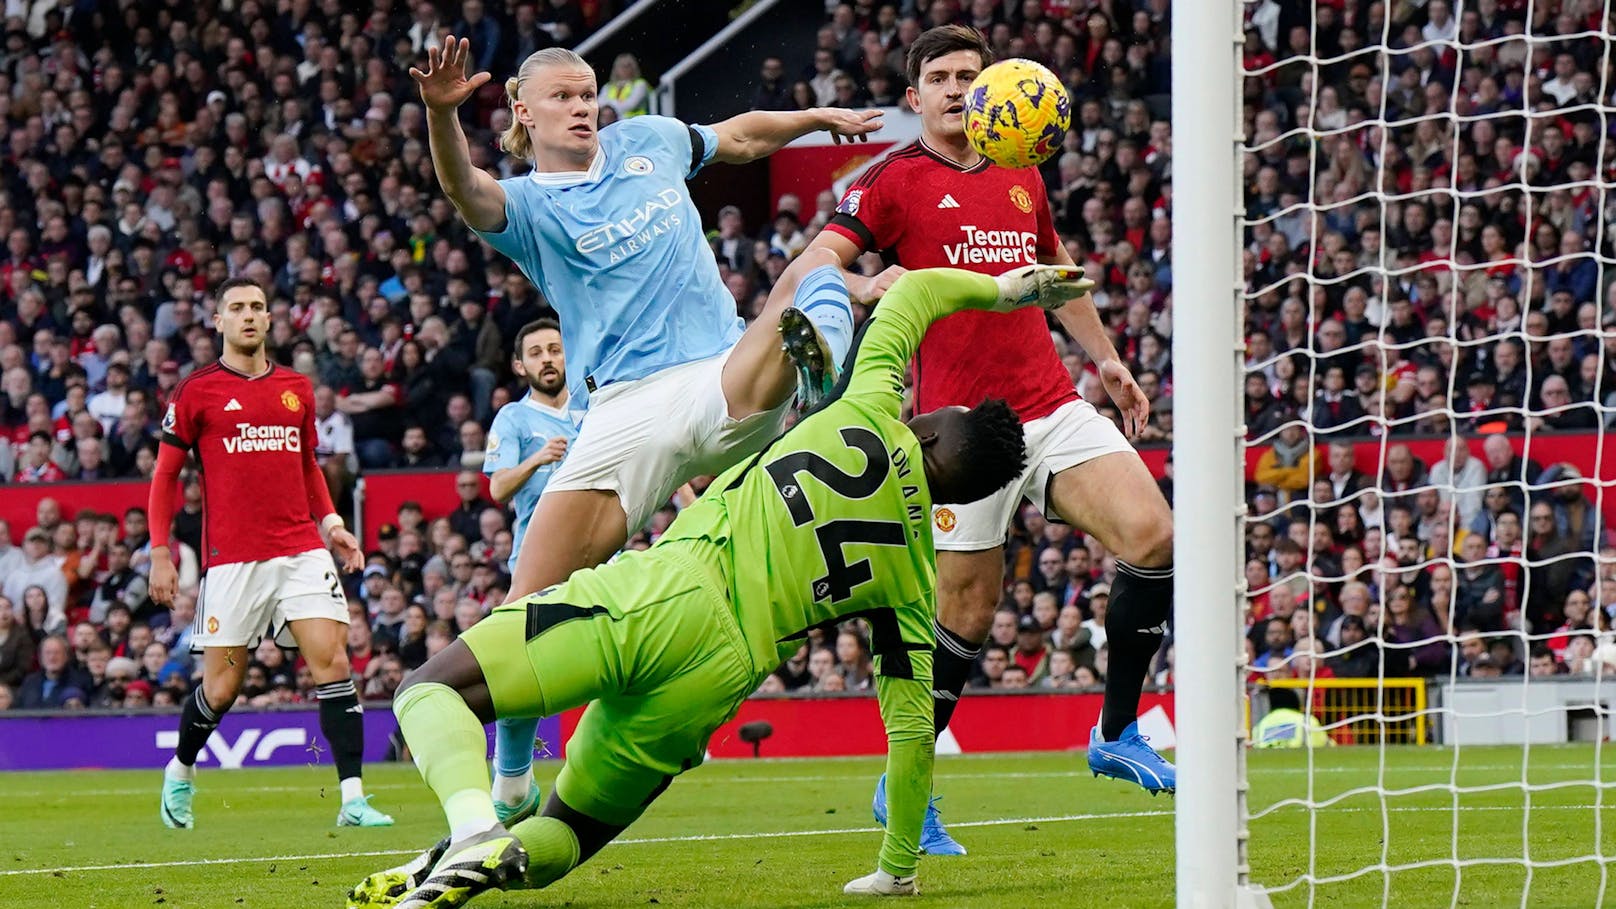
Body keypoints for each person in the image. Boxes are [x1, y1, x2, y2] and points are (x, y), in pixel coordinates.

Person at [346, 265, 1084, 908]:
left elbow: (915, 293)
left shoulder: (866, 406)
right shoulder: (912, 579)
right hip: (719, 679)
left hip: (668, 593)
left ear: (924, 433)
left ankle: (475, 825)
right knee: (568, 832)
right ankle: (471, 856)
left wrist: (1006, 290)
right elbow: (915, 731)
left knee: (428, 691)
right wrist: (894, 870)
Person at [807, 24, 1176, 851]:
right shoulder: (891, 182)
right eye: (938, 76)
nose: (954, 88)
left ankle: (1116, 731)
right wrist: (871, 282)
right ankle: (905, 787)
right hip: (958, 433)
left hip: (1048, 402)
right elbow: (814, 265)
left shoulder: (1021, 173)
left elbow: (1056, 268)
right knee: (967, 614)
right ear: (914, 97)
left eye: (968, 75)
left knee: (1154, 535)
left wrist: (1109, 361)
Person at [411, 39, 879, 612]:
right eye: (563, 96)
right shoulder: (526, 207)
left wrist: (812, 117)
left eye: (587, 94)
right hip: (623, 405)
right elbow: (463, 185)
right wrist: (440, 112)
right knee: (528, 607)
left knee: (808, 267)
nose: (583, 106)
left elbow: (738, 136)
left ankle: (818, 365)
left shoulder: (646, 140)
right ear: (525, 112)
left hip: (720, 376)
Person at [147, 277, 392, 829]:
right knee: (223, 687)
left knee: (332, 662)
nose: (249, 316)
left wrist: (332, 523)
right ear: (218, 322)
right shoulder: (196, 391)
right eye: (236, 308)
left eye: (257, 306)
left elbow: (307, 465)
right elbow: (165, 476)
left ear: (269, 318)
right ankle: (180, 770)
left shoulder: (297, 388)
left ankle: (353, 798)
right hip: (232, 560)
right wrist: (160, 551)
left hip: (301, 550)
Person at [480, 318, 580, 819]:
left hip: (602, 556)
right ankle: (513, 781)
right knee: (519, 668)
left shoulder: (594, 407)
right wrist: (538, 458)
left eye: (555, 350)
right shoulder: (514, 420)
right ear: (521, 365)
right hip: (536, 563)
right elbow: (498, 488)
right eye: (536, 352)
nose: (547, 359)